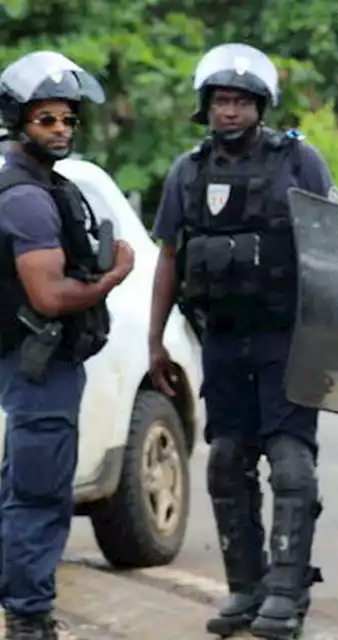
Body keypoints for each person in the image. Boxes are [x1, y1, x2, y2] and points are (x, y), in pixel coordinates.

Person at [146, 42, 338, 640]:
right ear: (207, 107)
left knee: (290, 461)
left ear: (261, 105)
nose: (230, 111)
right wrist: (155, 340)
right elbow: (169, 259)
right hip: (223, 340)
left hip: (288, 336)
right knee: (227, 462)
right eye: (221, 101)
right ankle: (245, 590)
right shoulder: (188, 171)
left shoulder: (299, 161)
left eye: (240, 101)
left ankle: (287, 591)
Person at [0, 51, 133, 640]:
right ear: (18, 120)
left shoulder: (46, 184)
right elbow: (51, 296)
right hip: (39, 364)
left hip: (44, 364)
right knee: (38, 493)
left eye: (67, 120)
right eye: (45, 119)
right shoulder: (26, 196)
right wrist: (115, 275)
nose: (59, 130)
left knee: (25, 488)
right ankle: (28, 619)